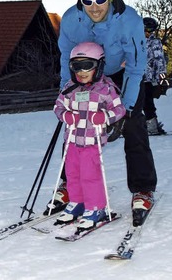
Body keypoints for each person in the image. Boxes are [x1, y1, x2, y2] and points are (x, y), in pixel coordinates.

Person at [52, 0, 157, 227]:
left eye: (100, 0)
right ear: (81, 2)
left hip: (123, 73)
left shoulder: (129, 20)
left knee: (133, 126)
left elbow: (136, 65)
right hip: (85, 72)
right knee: (75, 126)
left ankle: (142, 189)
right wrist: (66, 93)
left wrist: (128, 106)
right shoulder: (70, 20)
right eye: (88, 2)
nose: (94, 7)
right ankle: (70, 185)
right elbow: (66, 58)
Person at [52, 42, 126, 229]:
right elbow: (58, 107)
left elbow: (119, 109)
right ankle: (77, 202)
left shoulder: (106, 88)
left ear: (99, 66)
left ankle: (95, 207)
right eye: (77, 66)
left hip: (92, 141)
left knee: (90, 175)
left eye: (88, 65)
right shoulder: (70, 87)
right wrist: (65, 115)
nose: (82, 71)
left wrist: (105, 117)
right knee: (72, 174)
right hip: (71, 141)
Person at [143, 17, 168, 135]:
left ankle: (152, 125)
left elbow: (160, 61)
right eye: (145, 30)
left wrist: (161, 78)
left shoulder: (155, 42)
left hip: (148, 78)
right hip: (136, 76)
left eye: (149, 30)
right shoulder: (137, 40)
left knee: (147, 102)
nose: (147, 33)